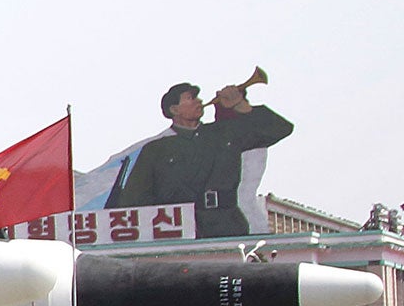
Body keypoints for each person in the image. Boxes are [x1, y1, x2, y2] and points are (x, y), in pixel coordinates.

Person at [111, 81, 293, 238]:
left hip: (226, 224)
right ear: (174, 109)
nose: (198, 101)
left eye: (197, 97)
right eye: (190, 98)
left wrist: (241, 105)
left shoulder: (224, 133)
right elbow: (133, 201)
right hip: (180, 228)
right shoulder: (156, 149)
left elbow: (281, 128)